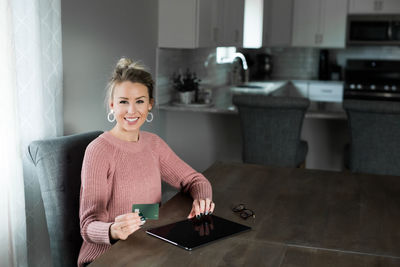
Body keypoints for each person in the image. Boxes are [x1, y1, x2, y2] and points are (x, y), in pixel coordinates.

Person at [78, 58, 215, 266]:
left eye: (139, 101)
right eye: (124, 102)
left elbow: (195, 180)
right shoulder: (98, 151)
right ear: (112, 105)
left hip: (151, 246)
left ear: (150, 104)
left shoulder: (154, 145)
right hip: (107, 256)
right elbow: (88, 226)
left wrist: (202, 199)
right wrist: (112, 230)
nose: (132, 111)